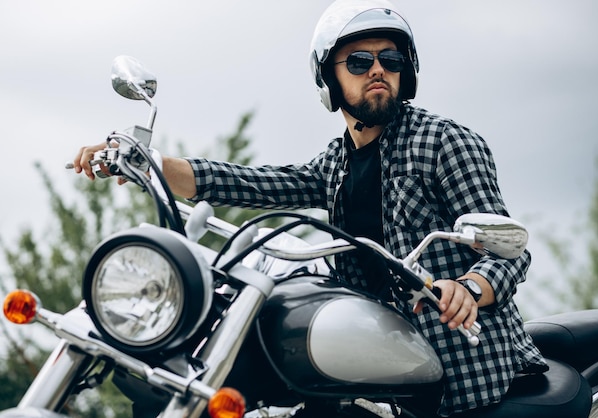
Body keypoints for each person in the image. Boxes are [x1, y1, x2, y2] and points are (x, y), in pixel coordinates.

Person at [73, 0, 547, 416]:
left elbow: (509, 249)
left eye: (391, 59)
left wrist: (469, 287)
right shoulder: (336, 163)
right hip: (377, 365)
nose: (377, 69)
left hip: (462, 367)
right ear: (329, 77)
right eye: (359, 61)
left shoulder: (444, 141)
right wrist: (148, 161)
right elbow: (255, 183)